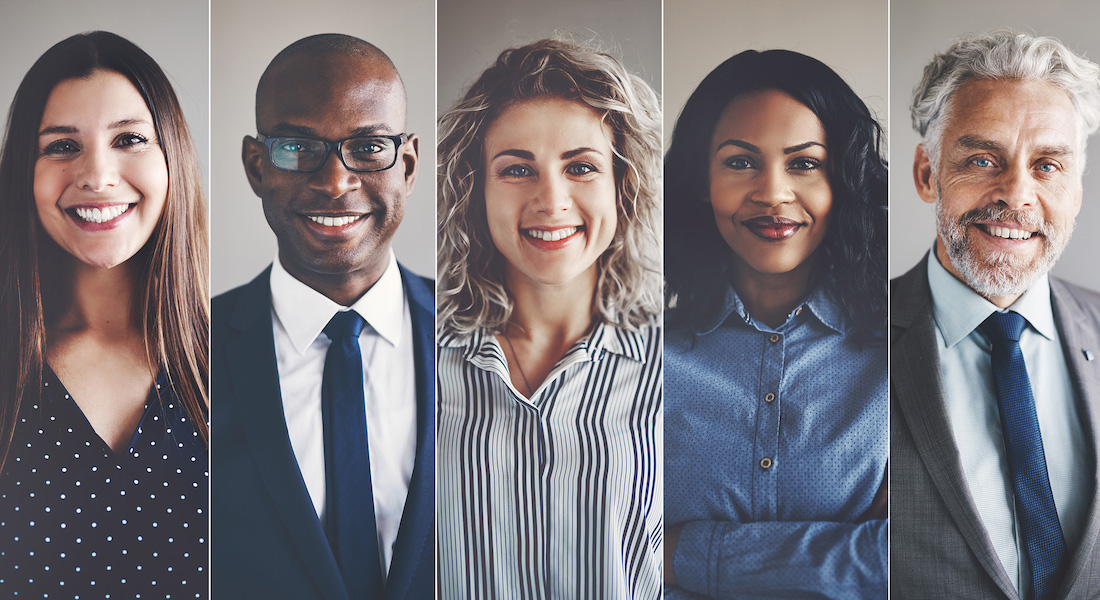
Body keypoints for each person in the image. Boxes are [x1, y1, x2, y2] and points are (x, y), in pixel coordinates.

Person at [436, 38, 663, 598]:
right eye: (517, 170)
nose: (552, 199)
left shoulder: (680, 365)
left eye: (581, 167)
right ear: (476, 192)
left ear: (622, 187)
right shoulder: (414, 361)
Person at [210, 34, 433, 600]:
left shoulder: (483, 334)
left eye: (368, 148)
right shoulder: (182, 348)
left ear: (407, 165)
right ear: (256, 166)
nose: (335, 183)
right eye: (296, 147)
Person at [661, 49, 889, 598]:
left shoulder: (900, 353)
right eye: (740, 162)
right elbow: (609, 545)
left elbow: (891, 560)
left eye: (804, 163)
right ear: (701, 181)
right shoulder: (643, 359)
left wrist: (682, 554)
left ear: (844, 179)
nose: (772, 194)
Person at [892, 29, 1100, 599]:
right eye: (983, 159)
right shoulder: (852, 338)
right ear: (927, 173)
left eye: (1048, 166)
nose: (1016, 194)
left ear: (1076, 190)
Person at [0, 31, 209, 596]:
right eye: (62, 146)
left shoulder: (249, 357)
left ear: (172, 161)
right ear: (25, 171)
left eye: (130, 139)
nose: (96, 175)